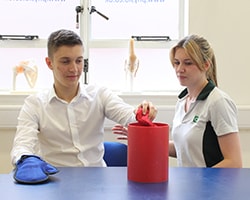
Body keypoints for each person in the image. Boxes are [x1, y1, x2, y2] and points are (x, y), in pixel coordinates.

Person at [11, 29, 157, 183]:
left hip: (99, 183)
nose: (74, 69)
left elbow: (129, 115)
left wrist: (142, 112)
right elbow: (22, 144)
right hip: (57, 184)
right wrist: (25, 159)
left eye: (79, 61)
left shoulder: (99, 95)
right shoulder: (35, 104)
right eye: (65, 61)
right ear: (49, 63)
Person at [113, 34, 242, 168]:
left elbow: (234, 163)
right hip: (189, 184)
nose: (180, 69)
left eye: (188, 63)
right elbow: (182, 147)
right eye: (176, 63)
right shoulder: (182, 101)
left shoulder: (218, 102)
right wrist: (142, 138)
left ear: (206, 65)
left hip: (210, 186)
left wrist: (201, 182)